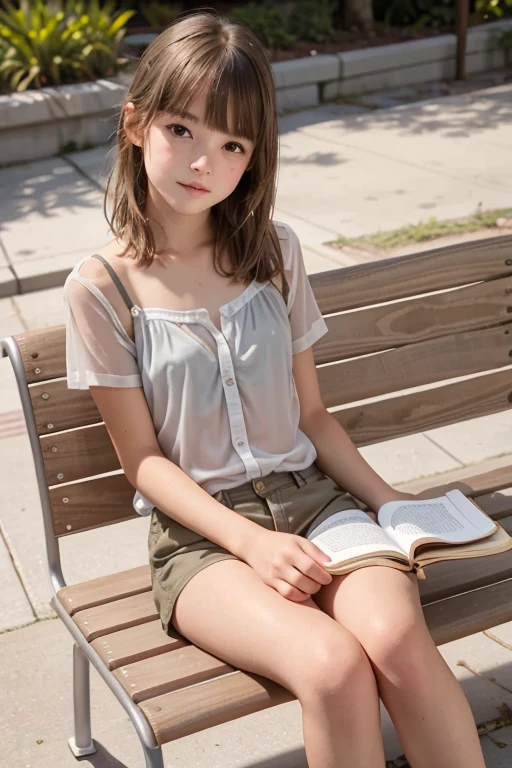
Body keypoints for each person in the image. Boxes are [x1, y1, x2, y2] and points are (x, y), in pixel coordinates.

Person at [64, 11, 486, 768]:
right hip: (202, 545)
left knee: (394, 638)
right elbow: (142, 463)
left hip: (318, 504)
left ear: (253, 160)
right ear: (135, 124)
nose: (204, 161)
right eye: (183, 130)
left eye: (233, 144)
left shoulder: (274, 254)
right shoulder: (103, 289)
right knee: (332, 666)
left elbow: (313, 415)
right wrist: (253, 543)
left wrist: (392, 505)